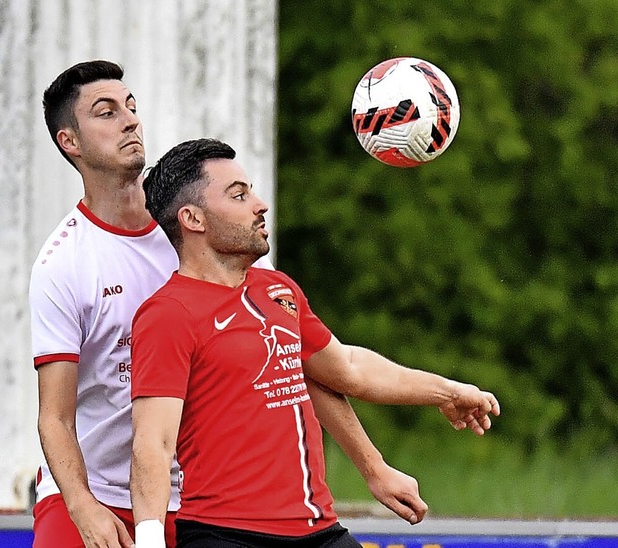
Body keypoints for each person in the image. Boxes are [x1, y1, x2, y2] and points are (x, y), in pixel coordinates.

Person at [30, 59, 489, 548]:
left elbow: (305, 365)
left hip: (193, 497)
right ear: (70, 142)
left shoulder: (215, 243)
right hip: (98, 488)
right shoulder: (64, 265)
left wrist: (374, 465)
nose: (130, 120)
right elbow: (55, 417)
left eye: (132, 107)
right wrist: (82, 507)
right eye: (106, 112)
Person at [129, 138, 501, 547]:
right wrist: (149, 541)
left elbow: (347, 370)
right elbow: (153, 442)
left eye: (251, 190)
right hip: (226, 534)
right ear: (192, 219)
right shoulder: (168, 312)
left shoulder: (278, 289)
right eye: (239, 195)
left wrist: (446, 392)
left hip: (318, 530)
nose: (260, 204)